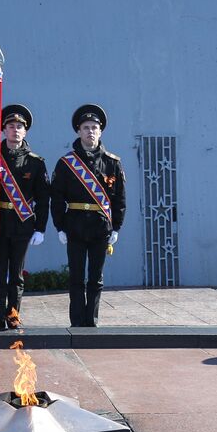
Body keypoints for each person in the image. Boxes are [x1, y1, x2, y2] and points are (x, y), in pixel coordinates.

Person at [50, 103, 125, 327]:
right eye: (85, 127)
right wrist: (60, 226)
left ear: (100, 131)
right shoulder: (66, 163)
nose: (90, 131)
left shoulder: (112, 163)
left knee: (95, 277)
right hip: (74, 226)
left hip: (100, 227)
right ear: (78, 131)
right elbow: (57, 197)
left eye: (94, 127)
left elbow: (119, 199)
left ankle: (91, 321)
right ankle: (76, 322)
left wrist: (117, 228)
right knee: (76, 277)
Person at [0, 104, 50, 329]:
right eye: (10, 126)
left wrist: (40, 228)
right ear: (3, 130)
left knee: (16, 274)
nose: (15, 130)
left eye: (19, 127)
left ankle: (13, 314)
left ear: (25, 132)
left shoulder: (35, 162)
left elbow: (43, 198)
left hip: (22, 223)